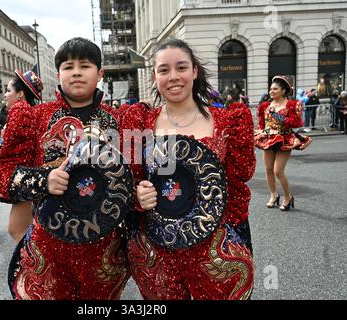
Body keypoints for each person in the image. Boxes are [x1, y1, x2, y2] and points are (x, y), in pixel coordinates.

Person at [122, 38, 255, 300]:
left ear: (194, 71)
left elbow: (239, 184)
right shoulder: (137, 122)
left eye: (181, 68)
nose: (173, 77)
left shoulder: (229, 121)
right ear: (154, 76)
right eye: (164, 70)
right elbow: (125, 182)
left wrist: (229, 236)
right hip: (156, 252)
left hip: (216, 251)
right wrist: (137, 195)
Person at [3, 38, 130, 300]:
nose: (76, 72)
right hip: (49, 246)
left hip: (104, 248)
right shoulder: (34, 118)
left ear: (100, 73)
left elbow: (134, 179)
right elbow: (5, 176)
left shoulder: (120, 121)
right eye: (68, 66)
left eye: (85, 65)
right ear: (58, 74)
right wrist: (43, 180)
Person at [0, 69, 43, 244]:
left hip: (21, 176)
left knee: (17, 230)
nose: (5, 95)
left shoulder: (19, 110)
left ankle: (29, 268)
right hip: (27, 175)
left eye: (9, 90)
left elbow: (7, 148)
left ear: (21, 94)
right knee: (22, 229)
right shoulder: (28, 110)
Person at [254, 76, 312, 211]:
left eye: (275, 89)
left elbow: (296, 123)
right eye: (270, 89)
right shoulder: (265, 106)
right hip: (268, 139)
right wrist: (260, 134)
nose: (272, 91)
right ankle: (273, 195)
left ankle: (287, 196)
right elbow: (262, 124)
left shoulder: (292, 104)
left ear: (283, 91)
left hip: (284, 139)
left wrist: (278, 116)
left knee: (278, 171)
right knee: (268, 170)